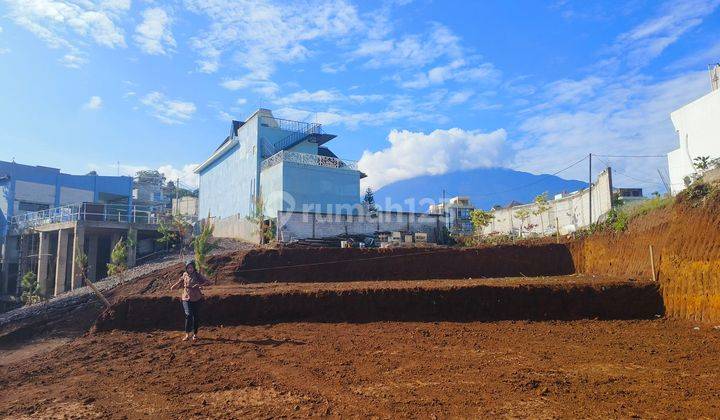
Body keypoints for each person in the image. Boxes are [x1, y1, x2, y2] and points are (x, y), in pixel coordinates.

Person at [170, 259, 213, 341]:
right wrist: (173, 286)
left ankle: (195, 334)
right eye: (188, 268)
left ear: (194, 268)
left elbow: (208, 282)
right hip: (186, 297)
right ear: (186, 268)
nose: (190, 269)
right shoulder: (185, 274)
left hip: (196, 297)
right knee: (188, 314)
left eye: (191, 267)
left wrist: (199, 285)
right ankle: (187, 334)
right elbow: (180, 281)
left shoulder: (197, 275)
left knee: (196, 316)